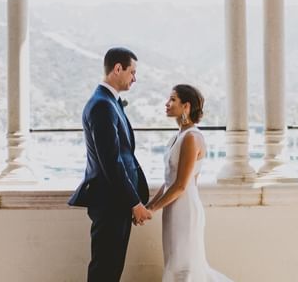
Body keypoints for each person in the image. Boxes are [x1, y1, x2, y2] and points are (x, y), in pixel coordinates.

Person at [68, 47, 151, 282]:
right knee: (105, 269)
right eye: (132, 72)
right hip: (110, 202)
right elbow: (111, 161)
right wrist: (134, 202)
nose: (135, 78)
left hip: (116, 202)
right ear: (117, 69)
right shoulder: (102, 105)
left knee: (111, 269)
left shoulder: (108, 102)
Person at [145, 84, 232, 282]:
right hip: (173, 208)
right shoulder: (177, 137)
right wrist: (150, 205)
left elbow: (182, 185)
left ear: (186, 106)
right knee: (174, 262)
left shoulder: (192, 137)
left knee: (186, 266)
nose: (167, 104)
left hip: (185, 210)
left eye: (172, 99)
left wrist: (153, 209)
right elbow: (169, 181)